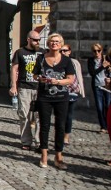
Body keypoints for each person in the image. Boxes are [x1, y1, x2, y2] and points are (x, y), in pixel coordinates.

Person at [32, 33, 76, 169]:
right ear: (48, 43)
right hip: (44, 97)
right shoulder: (41, 58)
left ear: (61, 44)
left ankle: (58, 156)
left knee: (60, 126)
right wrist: (41, 78)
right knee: (44, 126)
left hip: (61, 97)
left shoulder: (67, 61)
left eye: (57, 41)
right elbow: (34, 75)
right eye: (52, 41)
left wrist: (58, 81)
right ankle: (44, 154)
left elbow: (71, 79)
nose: (54, 43)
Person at [10, 31, 43, 150]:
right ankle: (26, 141)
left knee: (39, 116)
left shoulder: (42, 52)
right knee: (24, 115)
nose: (37, 42)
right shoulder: (20, 52)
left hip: (40, 88)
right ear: (28, 39)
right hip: (24, 87)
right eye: (35, 40)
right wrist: (14, 85)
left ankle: (39, 142)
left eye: (39, 40)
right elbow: (14, 69)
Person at [60, 44, 85, 145]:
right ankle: (60, 134)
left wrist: (81, 90)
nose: (63, 52)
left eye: (65, 50)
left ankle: (66, 136)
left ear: (69, 51)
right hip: (61, 91)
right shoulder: (57, 61)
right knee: (61, 115)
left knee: (69, 115)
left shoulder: (75, 62)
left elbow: (79, 76)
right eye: (61, 50)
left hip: (73, 91)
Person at [87, 42, 110, 133]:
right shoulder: (91, 60)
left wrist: (107, 66)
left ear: (101, 50)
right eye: (94, 51)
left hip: (107, 86)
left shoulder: (106, 59)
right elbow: (92, 73)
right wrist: (102, 67)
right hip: (97, 85)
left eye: (98, 50)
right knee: (99, 107)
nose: (97, 53)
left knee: (108, 106)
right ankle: (103, 126)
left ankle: (108, 125)